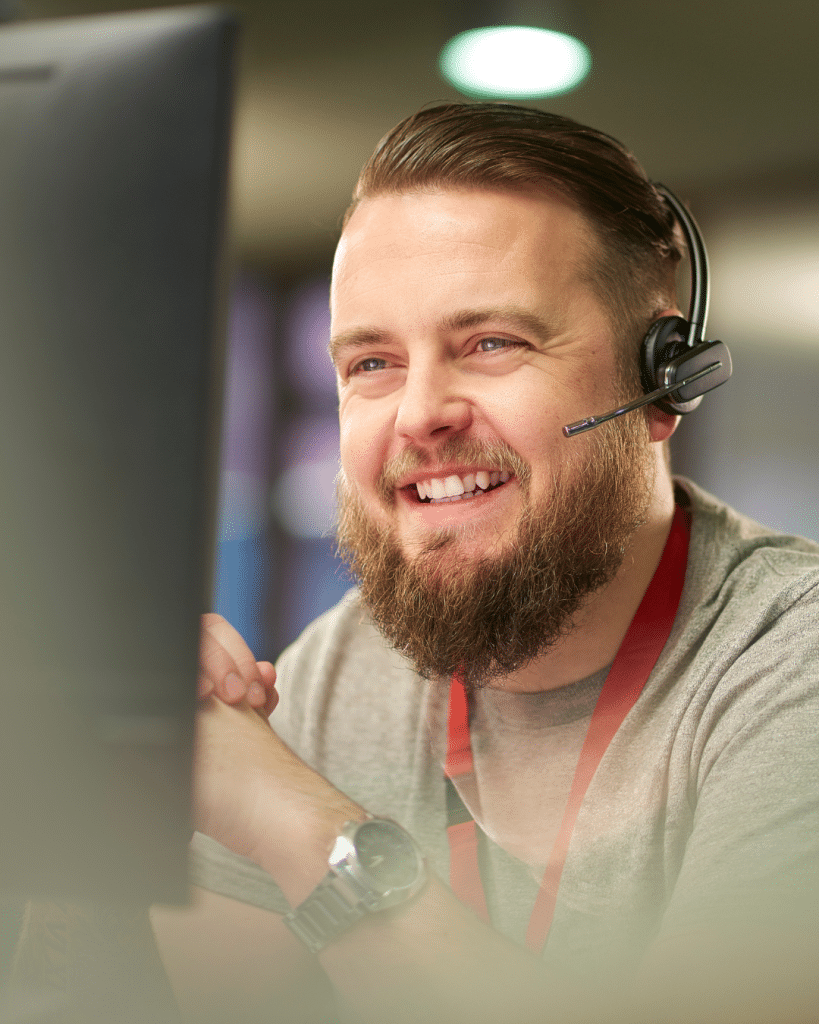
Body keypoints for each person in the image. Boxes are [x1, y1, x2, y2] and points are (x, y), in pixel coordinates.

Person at [17, 103, 819, 1024]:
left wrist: (297, 821)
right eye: (372, 363)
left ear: (661, 377)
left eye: (491, 344)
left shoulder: (781, 668)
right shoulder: (336, 670)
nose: (420, 414)